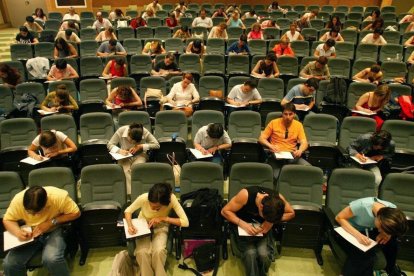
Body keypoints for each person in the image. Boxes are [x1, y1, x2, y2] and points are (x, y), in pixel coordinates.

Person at [2, 185, 80, 276]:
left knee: (51, 259)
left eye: (36, 213)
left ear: (45, 204)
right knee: (9, 264)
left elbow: (76, 213)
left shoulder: (58, 196)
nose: (34, 216)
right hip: (31, 233)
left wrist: (51, 222)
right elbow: (7, 220)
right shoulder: (18, 200)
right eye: (29, 212)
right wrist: (18, 232)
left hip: (54, 229)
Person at [221, 186, 295, 276]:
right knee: (250, 253)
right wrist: (242, 224)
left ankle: (262, 273)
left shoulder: (277, 198)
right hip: (243, 228)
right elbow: (225, 211)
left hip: (263, 230)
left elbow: (291, 213)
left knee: (263, 254)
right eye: (265, 217)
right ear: (260, 206)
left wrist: (269, 222)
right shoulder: (245, 195)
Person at [124, 183, 188, 276]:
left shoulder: (171, 199)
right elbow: (128, 211)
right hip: (144, 225)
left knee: (159, 251)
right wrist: (130, 225)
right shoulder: (144, 198)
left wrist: (163, 218)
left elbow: (185, 222)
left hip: (161, 225)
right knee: (142, 252)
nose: (153, 209)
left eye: (157, 208)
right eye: (151, 206)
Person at [335, 197, 407, 276]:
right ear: (379, 219)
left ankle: (390, 270)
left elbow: (393, 228)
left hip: (368, 230)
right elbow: (339, 217)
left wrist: (387, 234)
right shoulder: (362, 206)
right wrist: (358, 235)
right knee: (366, 255)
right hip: (350, 229)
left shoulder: (392, 210)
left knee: (393, 243)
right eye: (380, 228)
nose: (379, 231)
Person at [259, 102, 310, 178]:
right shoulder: (273, 123)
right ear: (282, 114)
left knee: (309, 169)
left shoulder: (298, 125)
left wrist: (300, 150)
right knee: (279, 177)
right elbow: (261, 138)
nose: (288, 117)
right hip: (276, 156)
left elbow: (304, 142)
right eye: (285, 114)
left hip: (292, 156)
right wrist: (271, 146)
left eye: (290, 114)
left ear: (294, 114)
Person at [108, 124, 159, 194]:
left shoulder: (144, 131)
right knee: (125, 171)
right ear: (128, 132)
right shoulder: (121, 130)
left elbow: (156, 145)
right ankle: (131, 195)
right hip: (124, 155)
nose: (132, 143)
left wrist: (141, 146)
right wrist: (119, 151)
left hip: (140, 155)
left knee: (137, 169)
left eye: (135, 141)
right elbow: (109, 145)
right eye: (131, 140)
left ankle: (139, 193)